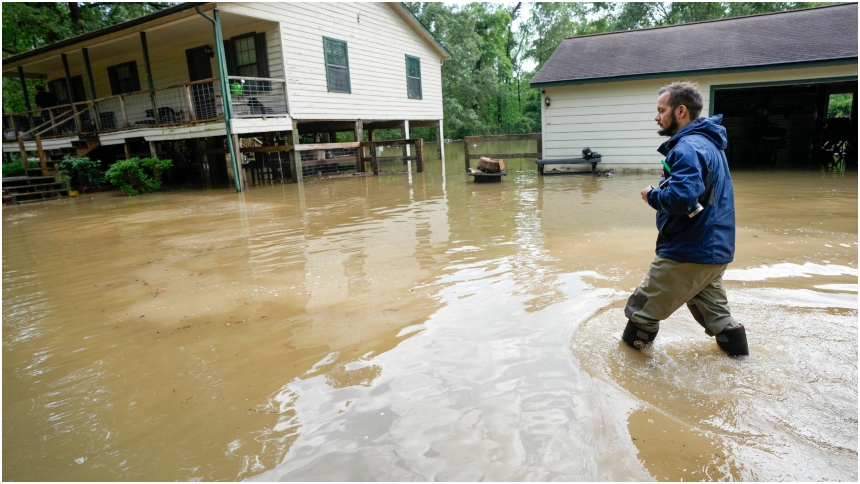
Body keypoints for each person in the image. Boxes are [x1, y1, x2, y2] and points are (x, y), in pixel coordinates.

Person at [622, 81, 748, 356]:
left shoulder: (687, 147)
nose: (656, 116)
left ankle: (625, 375)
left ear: (680, 112)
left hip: (689, 251)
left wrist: (652, 195)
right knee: (719, 320)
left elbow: (682, 197)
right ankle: (742, 370)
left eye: (661, 110)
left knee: (641, 312)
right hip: (716, 251)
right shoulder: (709, 144)